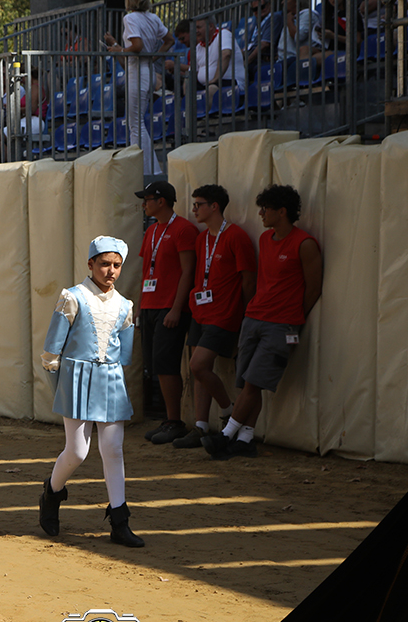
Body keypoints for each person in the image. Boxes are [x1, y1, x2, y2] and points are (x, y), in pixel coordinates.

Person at [203, 185, 322, 460]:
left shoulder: (304, 243)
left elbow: (313, 289)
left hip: (280, 324)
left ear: (282, 212)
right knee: (246, 382)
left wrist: (292, 317)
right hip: (255, 317)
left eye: (265, 209)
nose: (260, 214)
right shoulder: (267, 240)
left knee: (253, 382)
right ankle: (245, 438)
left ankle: (226, 435)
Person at [39, 236, 143, 547]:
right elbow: (51, 351)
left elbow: (124, 354)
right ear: (90, 264)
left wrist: (115, 377)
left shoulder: (126, 305)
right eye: (104, 264)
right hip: (75, 378)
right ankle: (51, 493)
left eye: (116, 265)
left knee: (113, 450)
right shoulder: (72, 297)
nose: (110, 271)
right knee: (78, 451)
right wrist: (59, 384)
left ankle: (120, 520)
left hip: (110, 380)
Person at [173, 185, 256, 449]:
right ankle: (200, 425)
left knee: (198, 365)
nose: (194, 209)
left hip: (225, 314)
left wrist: (243, 314)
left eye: (199, 204)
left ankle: (227, 411)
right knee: (198, 370)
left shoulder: (236, 237)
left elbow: (248, 279)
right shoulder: (201, 239)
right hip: (201, 312)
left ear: (215, 207)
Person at [135, 181, 198, 445]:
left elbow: (188, 270)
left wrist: (176, 307)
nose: (144, 204)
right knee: (155, 364)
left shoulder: (183, 229)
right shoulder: (151, 230)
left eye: (147, 199)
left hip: (170, 307)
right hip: (151, 305)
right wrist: (140, 307)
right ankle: (168, 419)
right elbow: (146, 271)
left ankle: (175, 420)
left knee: (166, 363)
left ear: (161, 201)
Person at [103, 0, 169, 174]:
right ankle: (150, 169)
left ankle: (145, 171)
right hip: (146, 71)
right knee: (138, 123)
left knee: (135, 125)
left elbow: (137, 46)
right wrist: (117, 45)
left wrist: (120, 48)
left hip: (138, 73)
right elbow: (169, 40)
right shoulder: (153, 18)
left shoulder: (130, 18)